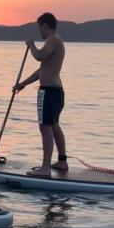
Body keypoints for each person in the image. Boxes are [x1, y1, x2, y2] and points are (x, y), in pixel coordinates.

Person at [13, 12, 68, 178]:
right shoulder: (54, 42)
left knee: (45, 127)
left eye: (40, 28)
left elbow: (39, 57)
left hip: (50, 92)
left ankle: (45, 168)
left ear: (45, 25)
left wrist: (31, 46)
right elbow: (41, 70)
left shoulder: (53, 40)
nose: (39, 32)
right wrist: (23, 84)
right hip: (56, 92)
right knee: (54, 125)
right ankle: (62, 161)